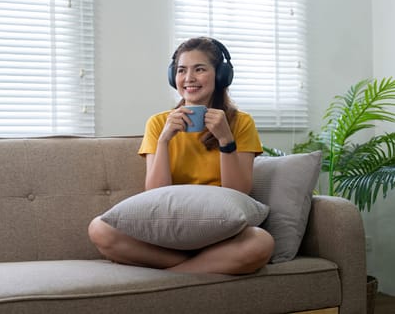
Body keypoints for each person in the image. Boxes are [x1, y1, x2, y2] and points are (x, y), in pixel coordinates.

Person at [88, 37, 274, 274]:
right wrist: (164, 140)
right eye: (181, 70)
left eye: (199, 69)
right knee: (99, 228)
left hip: (221, 231)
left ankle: (174, 275)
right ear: (172, 77)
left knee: (261, 242)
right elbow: (155, 194)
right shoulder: (158, 124)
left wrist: (225, 140)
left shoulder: (241, 122)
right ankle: (201, 267)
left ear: (220, 76)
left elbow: (238, 193)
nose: (189, 78)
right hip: (168, 233)